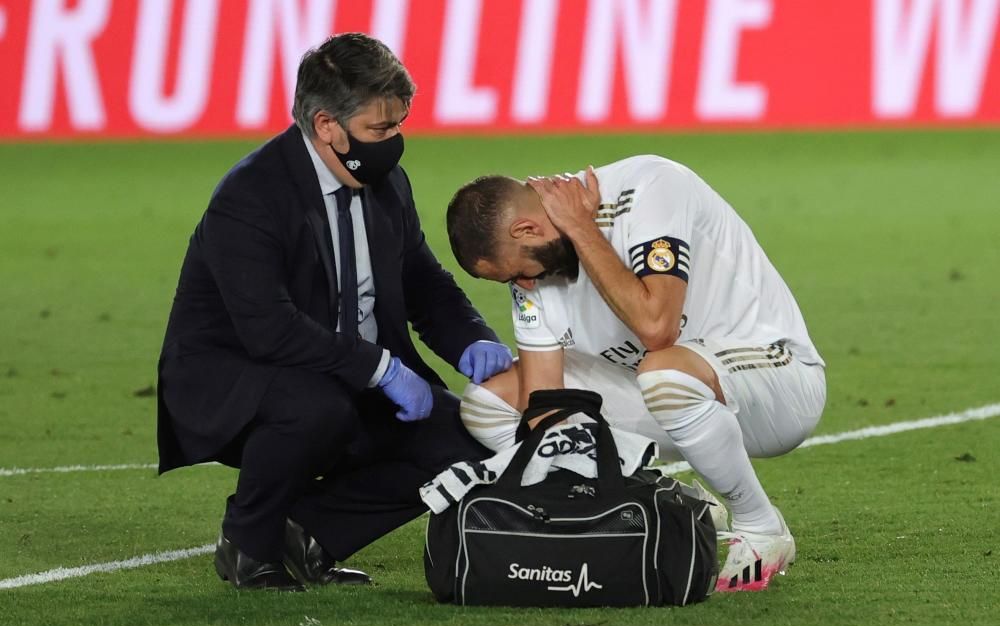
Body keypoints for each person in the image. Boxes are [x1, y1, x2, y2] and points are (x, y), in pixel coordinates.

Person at [156, 33, 512, 591]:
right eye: (380, 129)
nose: (393, 143)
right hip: (242, 373)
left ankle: (306, 536)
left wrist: (471, 337)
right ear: (326, 125)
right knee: (319, 409)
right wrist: (383, 370)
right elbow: (269, 330)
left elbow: (423, 281)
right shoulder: (251, 196)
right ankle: (249, 546)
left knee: (462, 443)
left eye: (398, 126)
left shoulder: (385, 181)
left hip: (346, 368)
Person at [445, 155, 826, 592]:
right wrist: (546, 503)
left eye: (517, 273)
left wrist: (582, 228)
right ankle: (659, 496)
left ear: (527, 230)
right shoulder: (535, 270)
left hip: (775, 381)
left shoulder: (651, 187)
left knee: (663, 371)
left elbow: (656, 327)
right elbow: (543, 405)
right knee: (489, 403)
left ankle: (761, 527)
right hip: (661, 391)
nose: (524, 286)